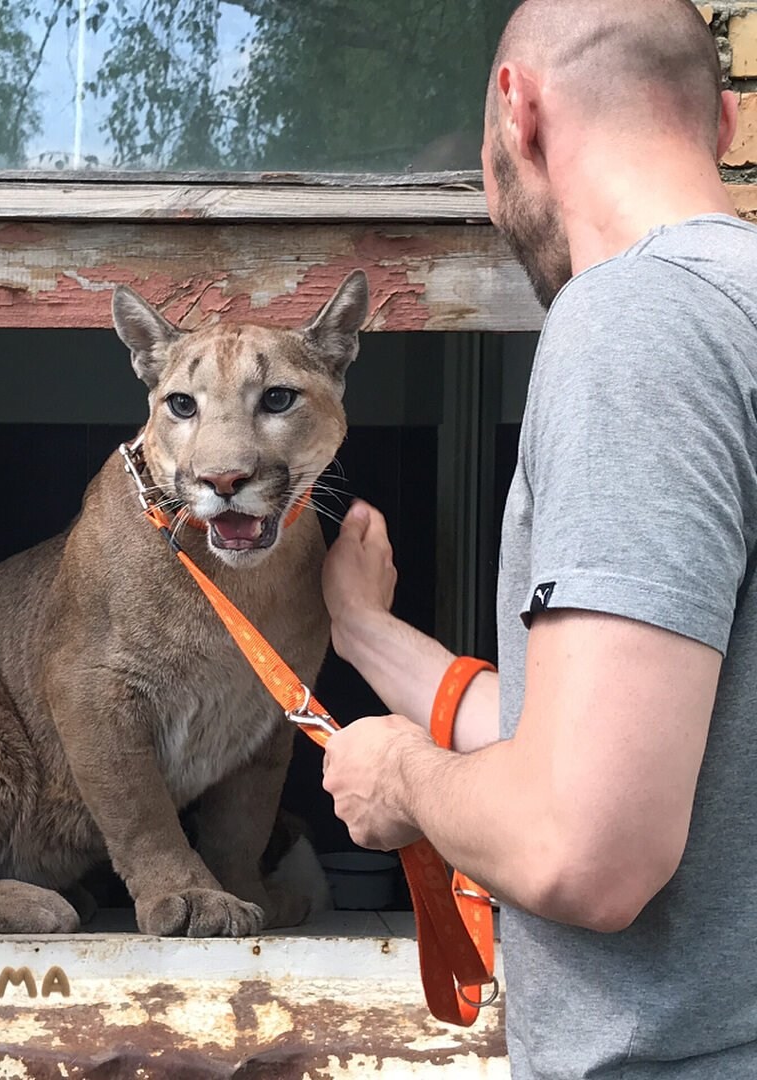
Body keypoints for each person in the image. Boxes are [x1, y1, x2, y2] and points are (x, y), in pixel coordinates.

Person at [320, 0, 757, 1075]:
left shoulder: (634, 326)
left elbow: (585, 849)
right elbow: (610, 731)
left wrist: (404, 779)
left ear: (518, 113)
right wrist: (361, 631)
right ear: (726, 130)